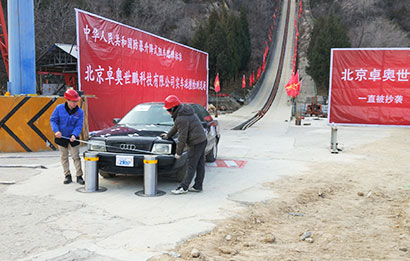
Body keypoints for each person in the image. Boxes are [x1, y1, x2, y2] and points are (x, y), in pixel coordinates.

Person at [161, 95, 207, 194]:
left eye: (168, 110)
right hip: (202, 140)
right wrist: (168, 135)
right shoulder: (185, 112)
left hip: (195, 142)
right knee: (200, 165)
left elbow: (182, 137)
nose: (168, 112)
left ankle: (184, 187)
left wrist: (178, 153)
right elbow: (176, 127)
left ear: (173, 108)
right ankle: (198, 186)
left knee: (191, 165)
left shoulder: (181, 118)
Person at [50, 88, 85, 185]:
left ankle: (79, 176)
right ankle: (67, 175)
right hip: (61, 137)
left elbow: (79, 125)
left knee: (76, 157)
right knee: (64, 157)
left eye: (76, 101)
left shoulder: (79, 112)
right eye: (73, 101)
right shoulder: (59, 108)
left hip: (73, 138)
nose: (75, 103)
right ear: (67, 100)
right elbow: (53, 120)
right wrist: (56, 130)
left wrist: (74, 134)